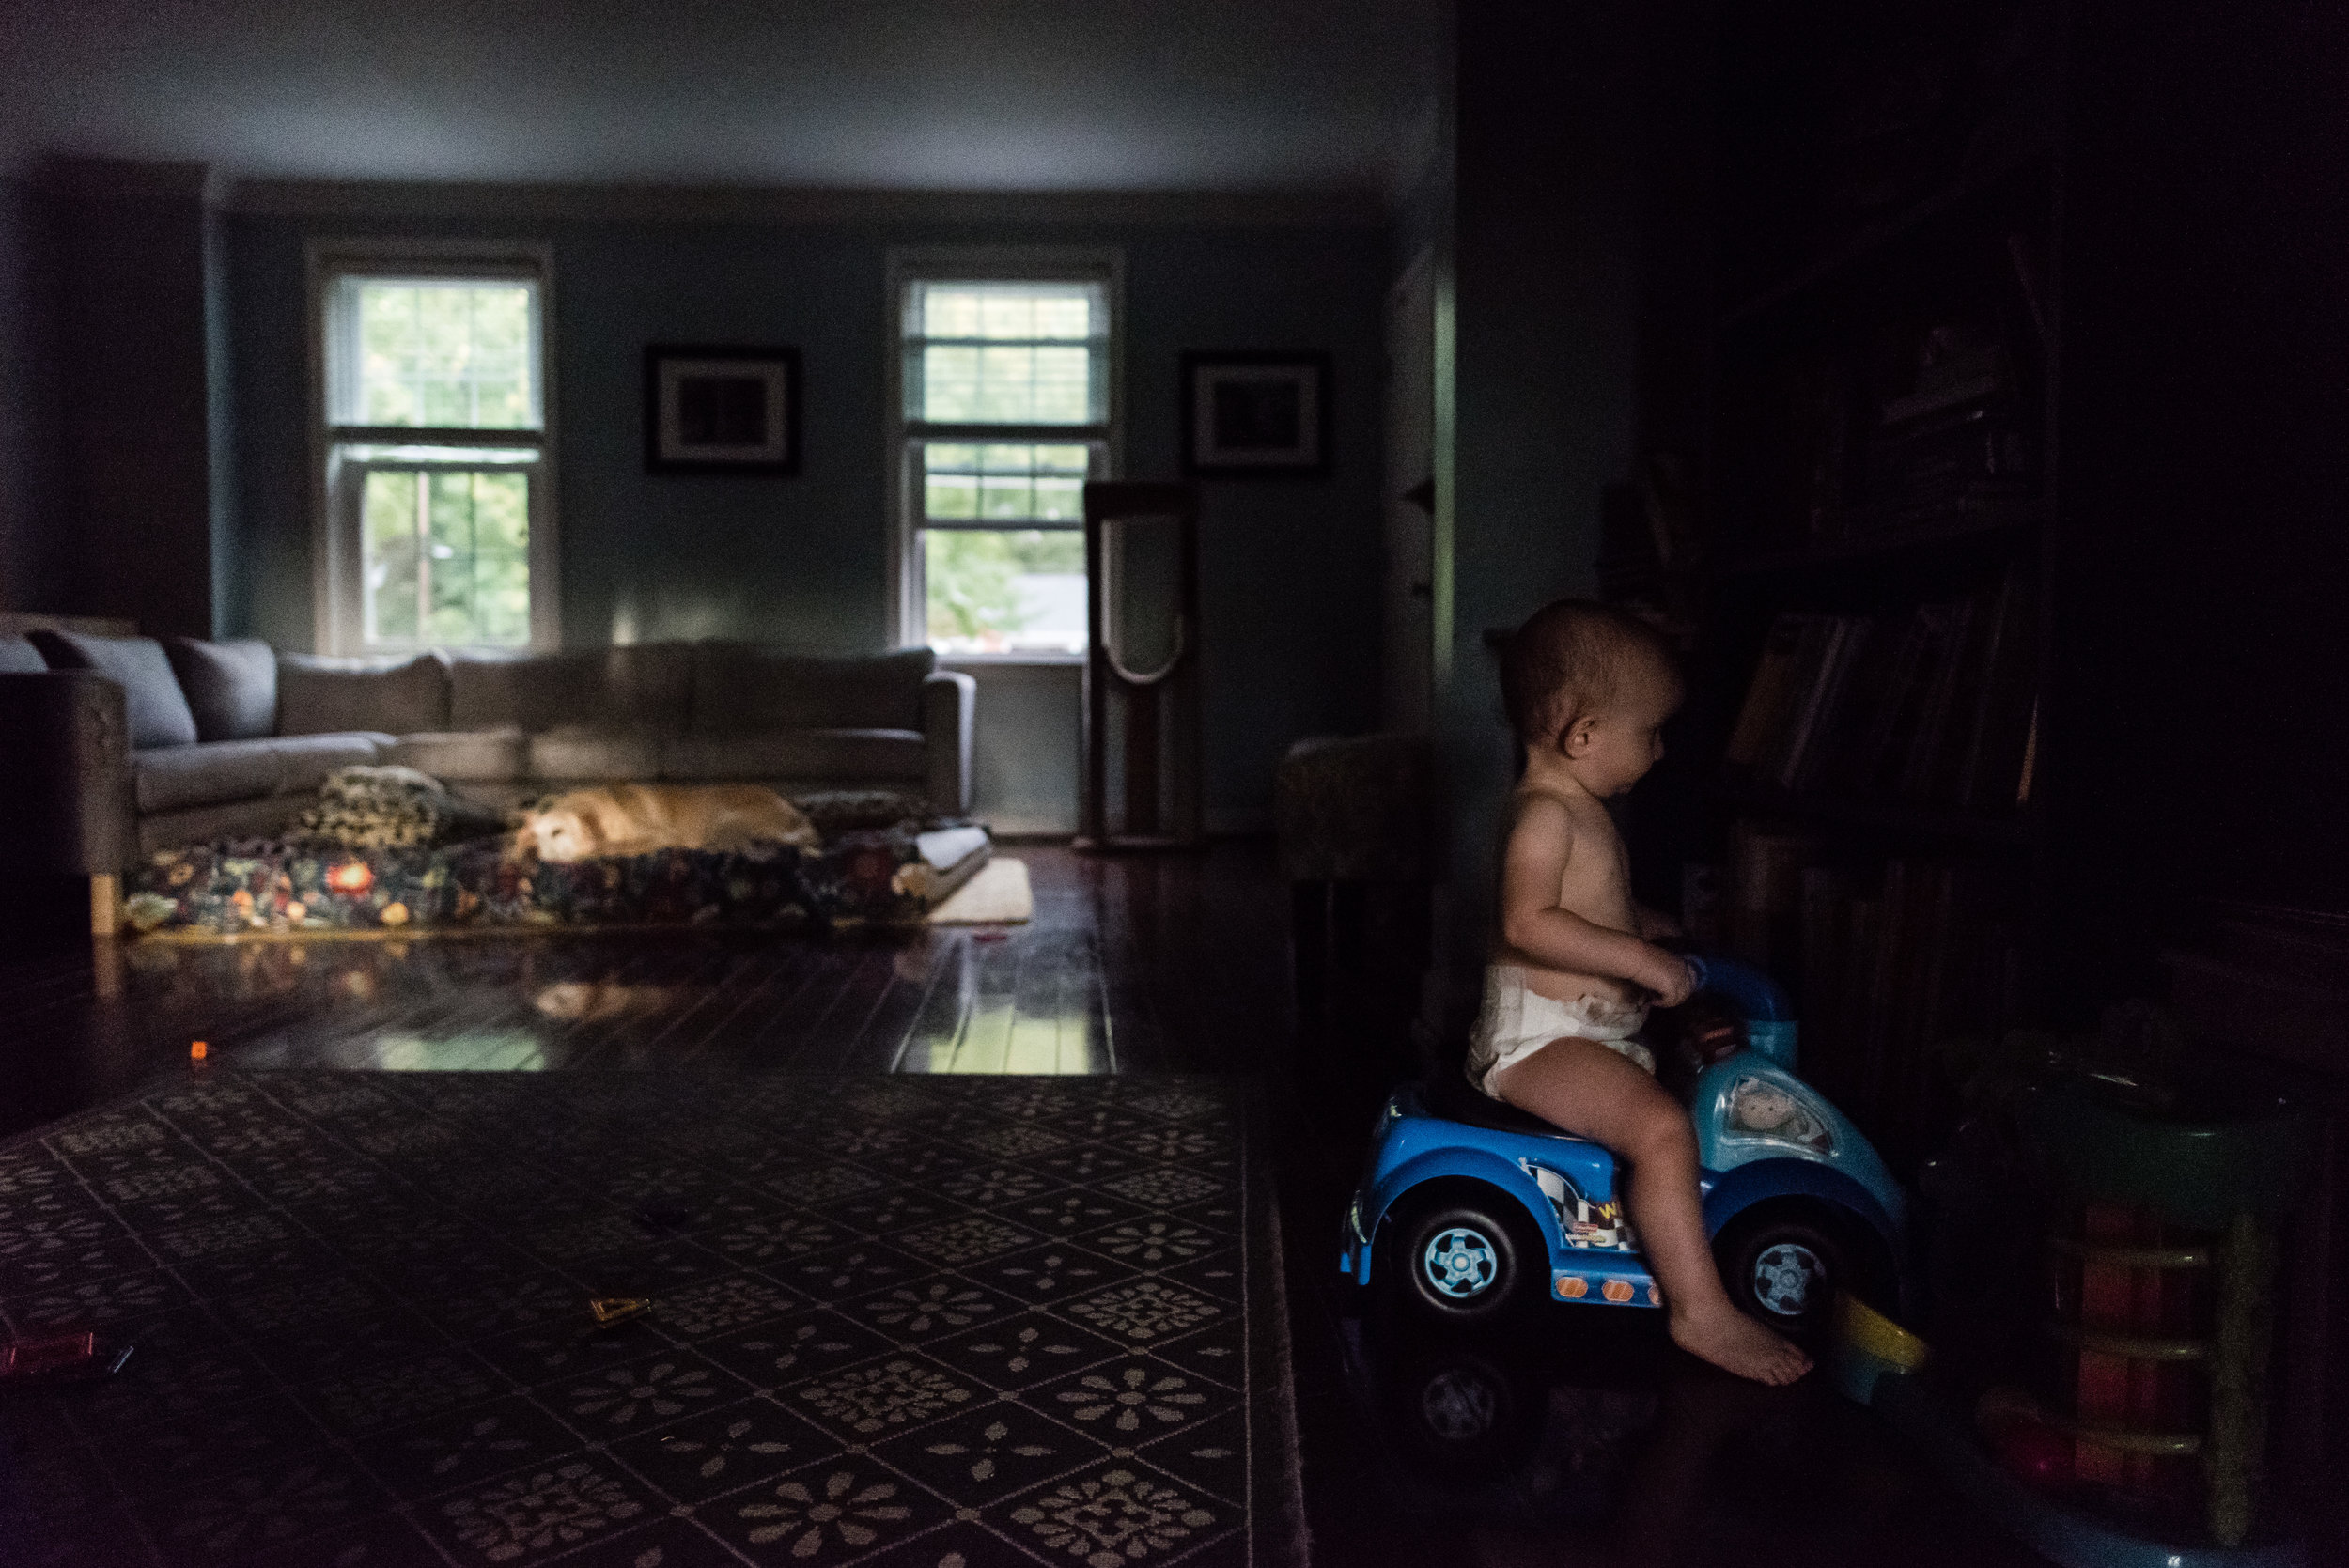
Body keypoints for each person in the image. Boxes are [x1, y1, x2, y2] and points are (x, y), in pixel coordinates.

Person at [1473, 598, 1812, 1385]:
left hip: (1585, 1026)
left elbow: (1587, 908)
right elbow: (1529, 923)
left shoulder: (1578, 809)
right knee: (1661, 1130)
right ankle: (1702, 1311)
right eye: (1650, 732)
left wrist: (1646, 928)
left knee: (1688, 1077)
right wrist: (1638, 958)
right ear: (1583, 734)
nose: (1658, 752)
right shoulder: (1543, 816)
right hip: (1538, 1041)